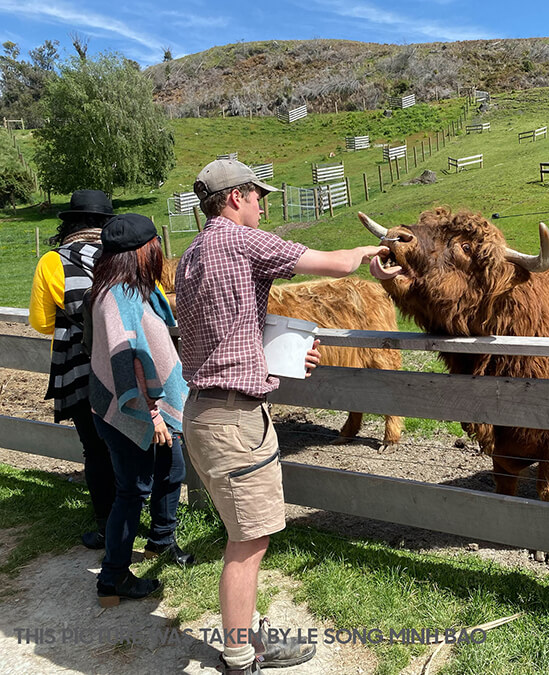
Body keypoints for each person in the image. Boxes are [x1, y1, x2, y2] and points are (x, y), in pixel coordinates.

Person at [175, 159, 399, 674]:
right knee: (247, 544)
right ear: (235, 198)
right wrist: (381, 250)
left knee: (243, 533)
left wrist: (283, 354)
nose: (265, 204)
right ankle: (239, 658)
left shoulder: (191, 256)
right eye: (259, 195)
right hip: (235, 420)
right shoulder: (240, 241)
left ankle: (249, 636)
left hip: (204, 412)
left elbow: (225, 332)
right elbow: (336, 263)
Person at [88, 213, 193, 607]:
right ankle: (112, 579)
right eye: (154, 247)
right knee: (131, 492)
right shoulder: (118, 296)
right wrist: (150, 412)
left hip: (144, 407)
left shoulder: (131, 290)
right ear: (142, 251)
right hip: (131, 411)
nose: (159, 253)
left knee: (172, 468)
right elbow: (123, 358)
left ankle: (160, 543)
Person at [29, 190, 116, 549]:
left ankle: (107, 527)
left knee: (95, 450)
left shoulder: (52, 262)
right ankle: (155, 526)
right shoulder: (123, 255)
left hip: (80, 368)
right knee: (133, 445)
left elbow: (40, 322)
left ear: (70, 223)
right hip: (129, 361)